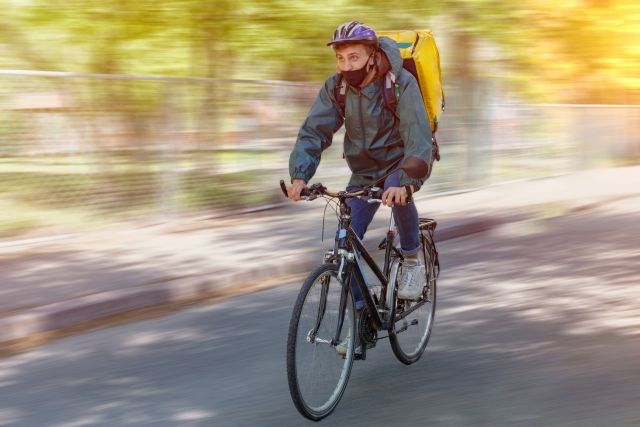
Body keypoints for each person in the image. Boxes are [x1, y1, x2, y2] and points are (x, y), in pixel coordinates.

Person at [286, 21, 434, 315]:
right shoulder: (337, 87)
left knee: (399, 196)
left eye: (353, 57)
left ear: (371, 55)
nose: (346, 65)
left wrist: (406, 182)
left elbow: (418, 136)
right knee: (344, 243)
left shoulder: (400, 82)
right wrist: (300, 175)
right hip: (364, 171)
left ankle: (412, 260)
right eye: (340, 58)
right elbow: (314, 131)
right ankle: (362, 313)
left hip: (400, 160)